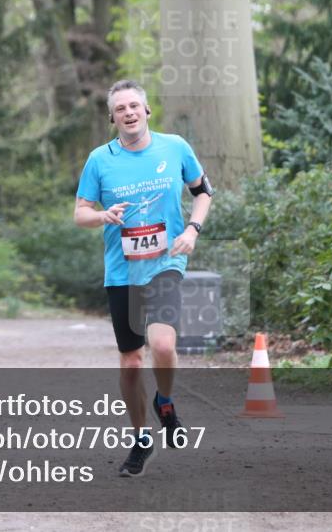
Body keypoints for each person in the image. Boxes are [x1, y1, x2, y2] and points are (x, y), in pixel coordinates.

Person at [74, 79, 213, 477]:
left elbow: (203, 191)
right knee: (132, 362)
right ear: (112, 117)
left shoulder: (175, 147)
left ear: (147, 110)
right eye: (121, 108)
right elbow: (80, 213)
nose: (129, 113)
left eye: (135, 105)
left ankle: (164, 401)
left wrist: (191, 230)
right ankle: (141, 440)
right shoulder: (100, 160)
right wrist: (102, 215)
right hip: (122, 272)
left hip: (165, 263)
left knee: (163, 345)